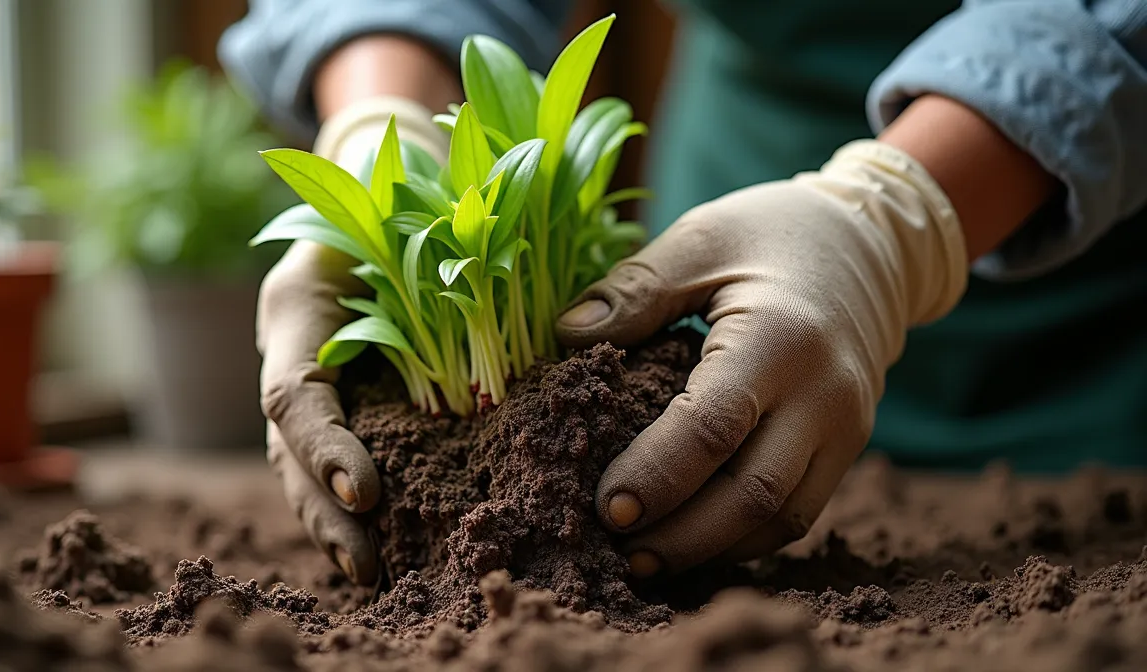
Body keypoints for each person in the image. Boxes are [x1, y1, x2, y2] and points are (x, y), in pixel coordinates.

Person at [218, 0, 1147, 586]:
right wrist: (382, 125)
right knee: (701, 448)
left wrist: (889, 220)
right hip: (745, 197)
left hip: (1096, 311)